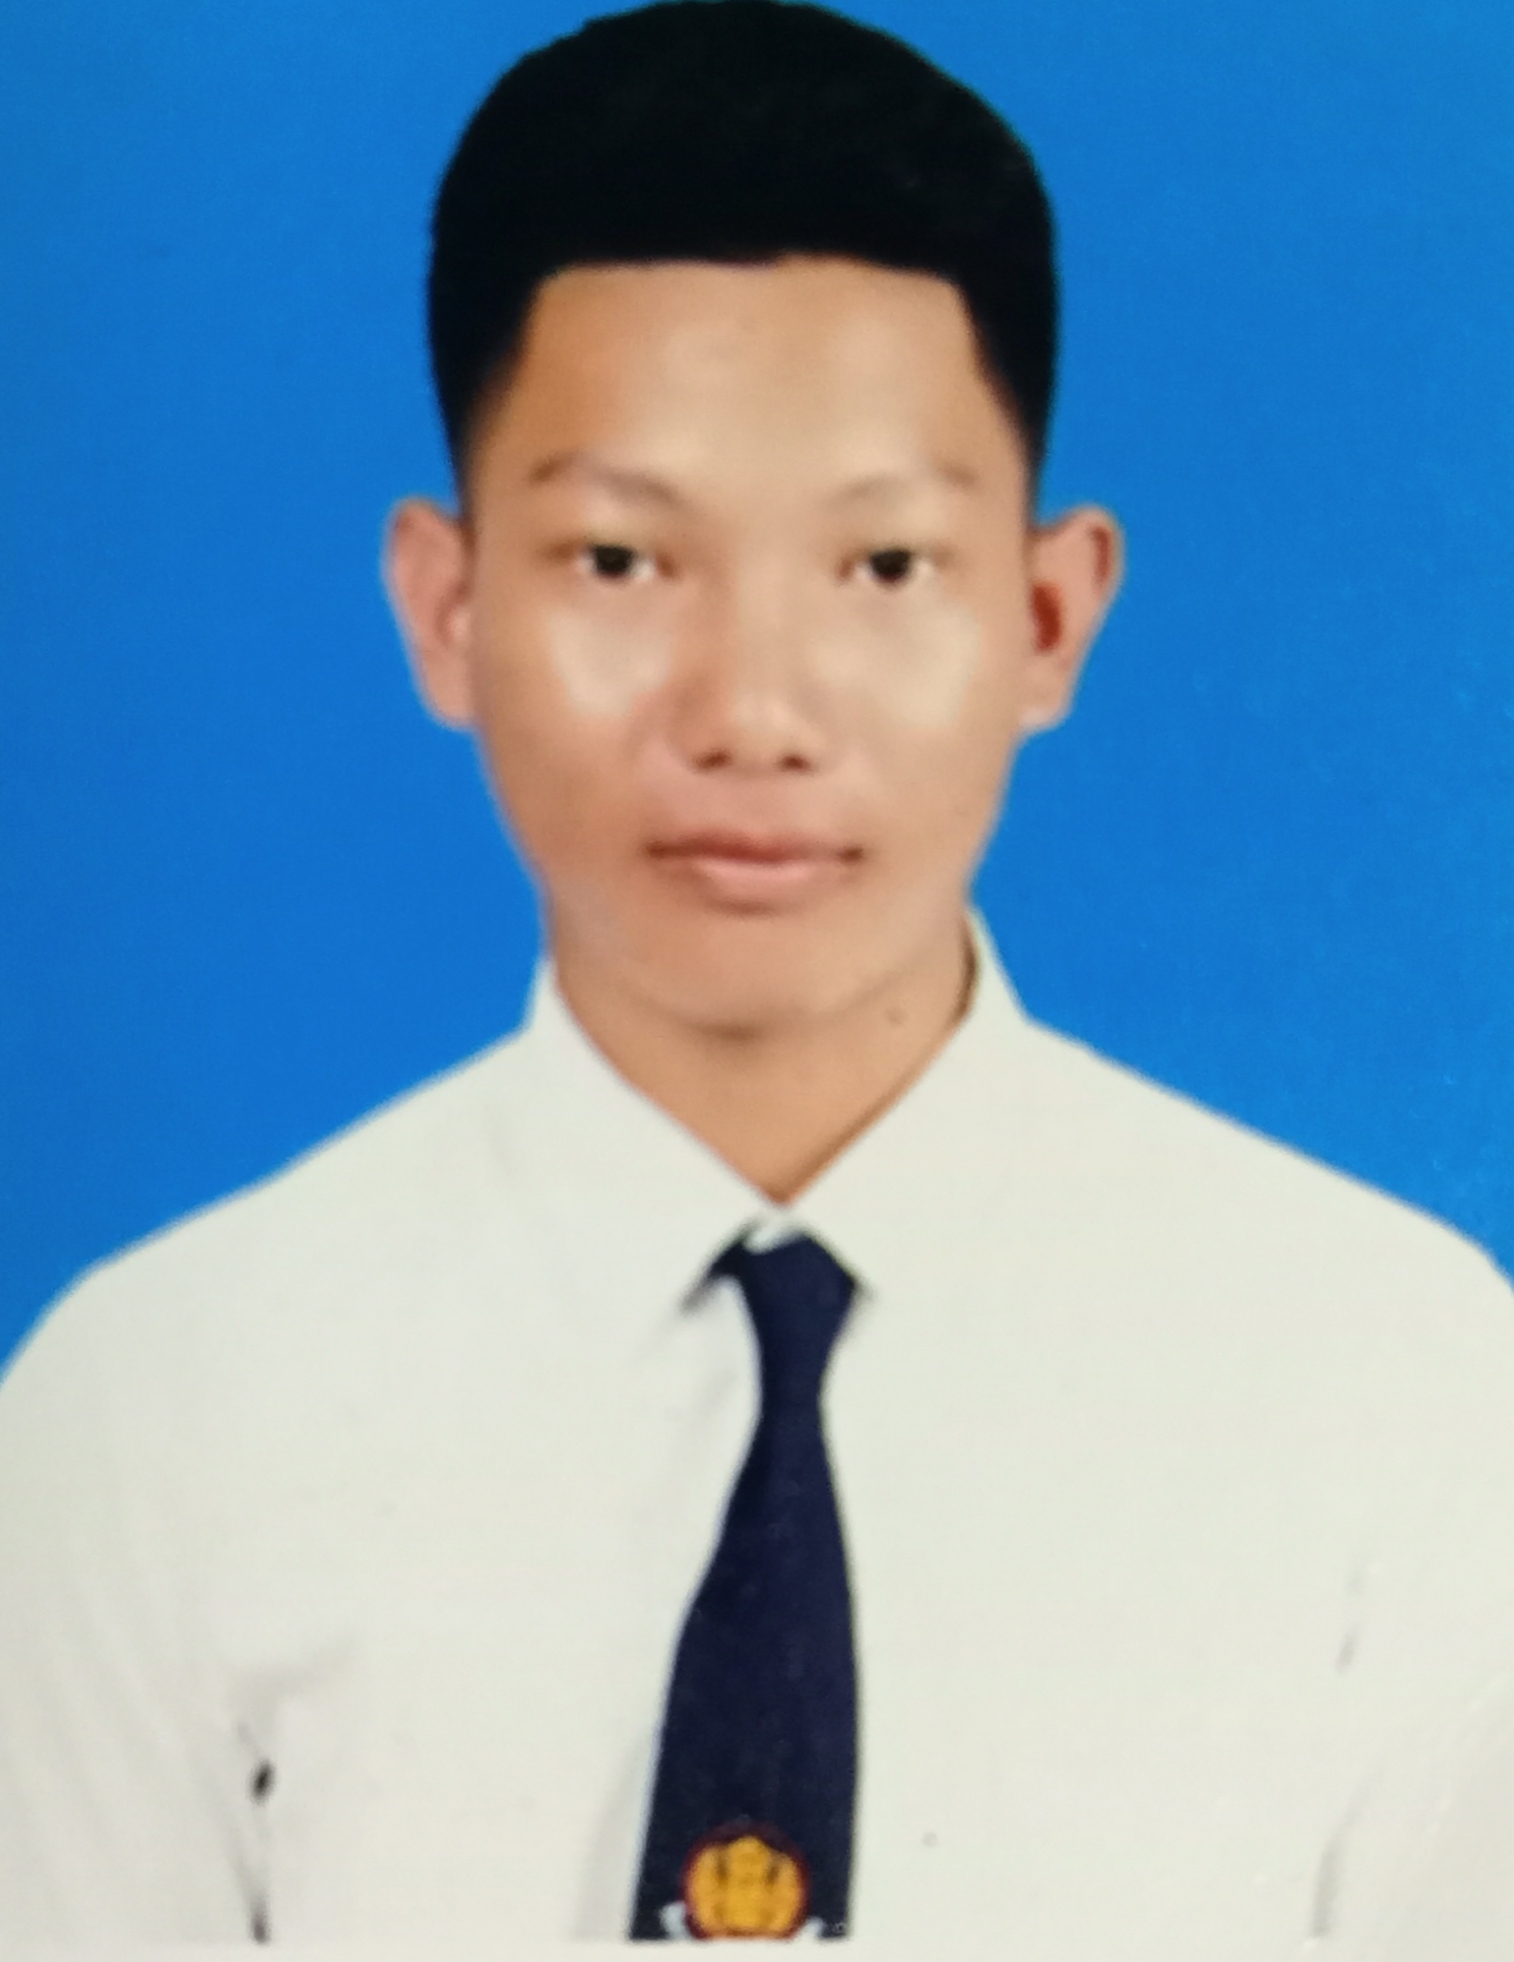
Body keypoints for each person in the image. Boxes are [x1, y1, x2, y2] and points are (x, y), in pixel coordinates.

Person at [0, 2, 1510, 1953]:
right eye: (620, 562)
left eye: (881, 568)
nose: (752, 712)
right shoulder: (153, 1408)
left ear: (1046, 616)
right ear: (445, 609)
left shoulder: (1400, 1384)